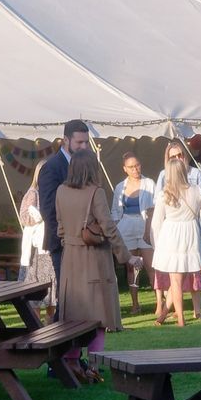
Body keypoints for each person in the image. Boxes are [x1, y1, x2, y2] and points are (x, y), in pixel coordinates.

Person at [55, 151, 127, 377]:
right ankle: (94, 365)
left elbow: (59, 227)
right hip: (94, 258)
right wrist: (125, 255)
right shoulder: (96, 192)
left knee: (74, 315)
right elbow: (109, 227)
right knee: (98, 315)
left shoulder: (61, 191)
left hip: (70, 259)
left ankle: (73, 362)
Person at [152, 142, 201, 320]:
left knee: (176, 281)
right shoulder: (197, 191)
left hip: (171, 236)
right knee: (180, 278)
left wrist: (157, 243)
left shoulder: (164, 194)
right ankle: (164, 316)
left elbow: (156, 223)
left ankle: (180, 319)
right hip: (190, 236)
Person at [36, 120, 90, 305]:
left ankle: (78, 332)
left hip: (84, 239)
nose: (84, 147)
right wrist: (66, 237)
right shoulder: (51, 167)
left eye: (86, 142)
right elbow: (48, 209)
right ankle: (62, 330)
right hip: (63, 242)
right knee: (68, 294)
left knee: (82, 294)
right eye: (79, 142)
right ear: (65, 140)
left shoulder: (86, 164)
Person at [111, 151, 157, 313]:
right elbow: (116, 212)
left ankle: (160, 303)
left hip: (145, 224)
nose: (135, 169)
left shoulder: (149, 183)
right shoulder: (120, 187)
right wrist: (117, 232)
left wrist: (150, 228)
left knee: (152, 266)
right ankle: (135, 303)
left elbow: (155, 207)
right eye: (131, 167)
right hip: (127, 225)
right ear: (125, 169)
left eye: (137, 165)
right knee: (131, 268)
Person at [18, 160, 55, 311]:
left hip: (51, 244)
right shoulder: (33, 193)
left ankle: (51, 325)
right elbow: (24, 217)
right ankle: (36, 328)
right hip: (38, 250)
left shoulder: (54, 191)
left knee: (53, 291)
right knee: (37, 291)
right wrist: (39, 216)